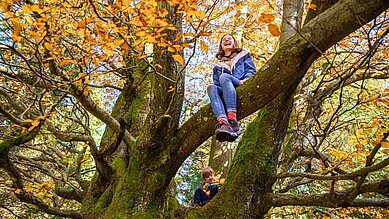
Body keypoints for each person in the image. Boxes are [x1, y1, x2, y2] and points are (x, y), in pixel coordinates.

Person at [207, 34, 257, 142]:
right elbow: (216, 84)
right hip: (226, 88)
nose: (226, 40)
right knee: (211, 88)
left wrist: (246, 79)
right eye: (224, 40)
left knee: (224, 77)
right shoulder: (218, 66)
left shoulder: (243, 55)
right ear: (221, 46)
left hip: (239, 82)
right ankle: (224, 123)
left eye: (229, 38)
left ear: (234, 43)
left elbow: (251, 70)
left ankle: (232, 120)